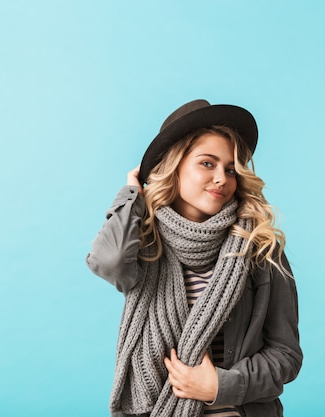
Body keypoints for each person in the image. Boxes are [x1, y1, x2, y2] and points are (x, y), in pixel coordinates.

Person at [86, 99, 302, 417]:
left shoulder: (259, 248)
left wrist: (219, 386)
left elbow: (286, 355)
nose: (221, 178)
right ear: (174, 167)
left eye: (230, 169)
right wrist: (131, 195)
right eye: (207, 163)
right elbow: (108, 261)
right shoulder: (145, 245)